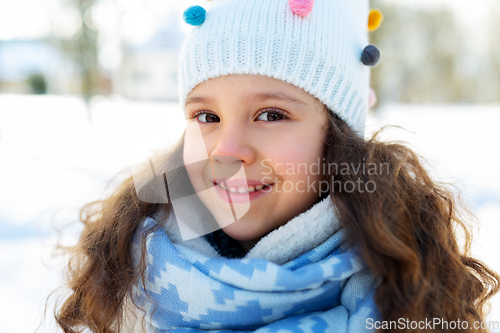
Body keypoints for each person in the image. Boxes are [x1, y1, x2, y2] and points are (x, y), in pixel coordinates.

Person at [53, 0, 499, 332]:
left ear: (340, 140)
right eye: (207, 117)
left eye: (271, 115)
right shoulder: (123, 278)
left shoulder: (409, 298)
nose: (227, 150)